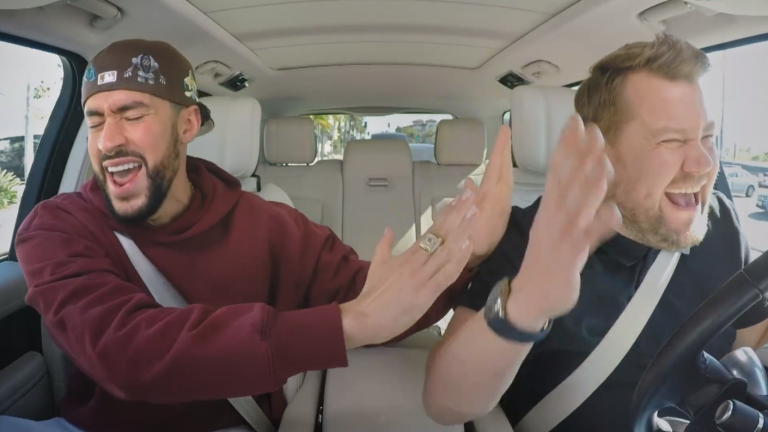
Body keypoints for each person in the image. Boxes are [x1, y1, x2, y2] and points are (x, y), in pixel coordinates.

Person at [0, 39, 516, 432]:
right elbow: (126, 351)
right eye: (95, 121)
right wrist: (345, 326)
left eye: (132, 115)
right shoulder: (55, 229)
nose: (108, 140)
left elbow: (380, 298)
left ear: (187, 125)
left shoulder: (270, 224)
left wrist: (468, 253)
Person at [423, 33, 768, 432]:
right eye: (671, 140)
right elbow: (445, 403)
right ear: (600, 152)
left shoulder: (720, 223)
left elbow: (748, 345)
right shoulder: (535, 236)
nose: (704, 163)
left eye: (708, 137)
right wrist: (527, 302)